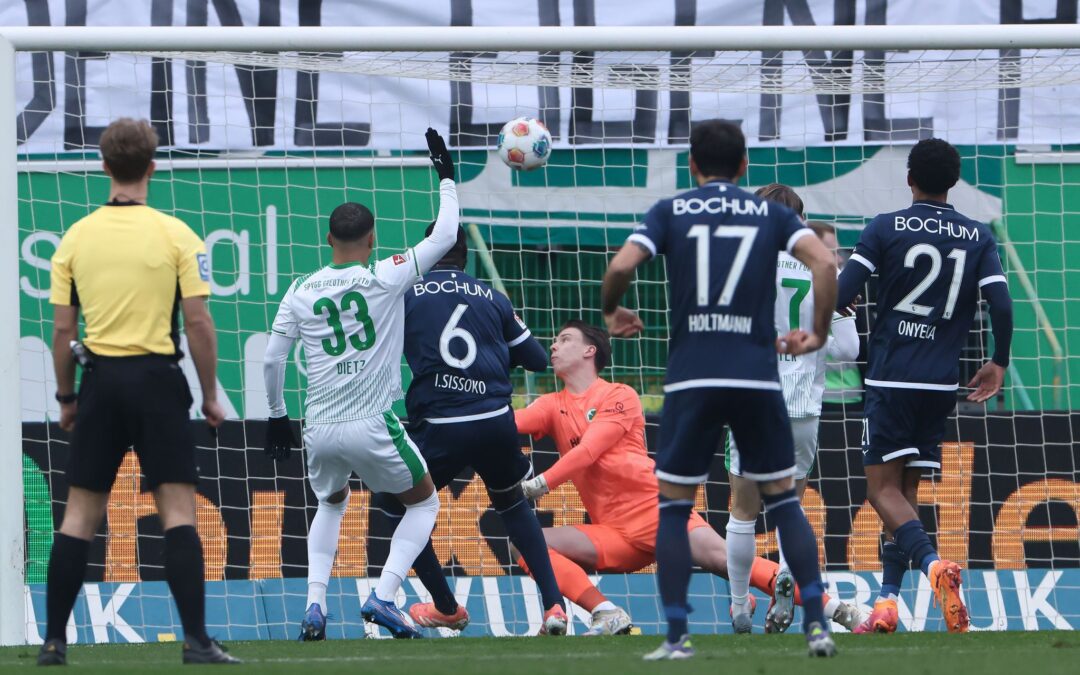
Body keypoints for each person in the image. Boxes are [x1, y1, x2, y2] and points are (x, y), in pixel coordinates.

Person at [600, 120, 839, 659]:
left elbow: (620, 265)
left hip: (694, 375)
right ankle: (818, 625)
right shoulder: (775, 215)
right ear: (745, 165)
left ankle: (678, 634)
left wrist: (612, 310)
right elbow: (825, 263)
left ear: (691, 165)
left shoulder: (672, 211)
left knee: (674, 507)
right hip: (756, 376)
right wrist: (819, 332)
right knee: (784, 503)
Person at [516, 321, 858, 638]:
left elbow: (588, 451)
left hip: (655, 512)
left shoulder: (618, 395)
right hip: (614, 532)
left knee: (725, 561)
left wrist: (540, 484)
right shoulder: (551, 405)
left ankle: (837, 609)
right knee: (527, 543)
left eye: (565, 339)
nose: (554, 346)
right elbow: (508, 425)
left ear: (590, 351)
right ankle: (605, 611)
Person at [41, 118, 235, 665]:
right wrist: (212, 395)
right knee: (177, 511)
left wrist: (66, 398)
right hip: (157, 382)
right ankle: (196, 641)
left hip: (100, 382)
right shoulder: (176, 234)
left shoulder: (76, 237)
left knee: (79, 515)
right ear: (152, 168)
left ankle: (54, 641)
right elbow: (198, 323)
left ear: (105, 167)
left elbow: (62, 331)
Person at [262, 129, 458, 640]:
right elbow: (444, 237)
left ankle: (315, 607)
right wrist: (447, 177)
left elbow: (272, 356)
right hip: (372, 422)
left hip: (319, 426)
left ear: (327, 241)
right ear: (372, 240)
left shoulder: (300, 290)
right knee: (424, 503)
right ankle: (384, 595)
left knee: (330, 503)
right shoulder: (384, 274)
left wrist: (277, 414)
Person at [835, 138, 1013, 634]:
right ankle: (888, 602)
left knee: (880, 490)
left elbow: (844, 292)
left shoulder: (885, 227)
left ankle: (936, 569)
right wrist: (998, 360)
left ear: (908, 177)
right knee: (907, 491)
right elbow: (1000, 303)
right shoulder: (977, 236)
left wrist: (836, 303)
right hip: (940, 381)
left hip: (892, 375)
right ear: (954, 181)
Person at [370, 225, 569, 636]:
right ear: (465, 257)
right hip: (496, 421)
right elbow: (534, 358)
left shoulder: (406, 296)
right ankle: (554, 607)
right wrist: (492, 353)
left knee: (397, 505)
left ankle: (446, 607)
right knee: (512, 503)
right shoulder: (492, 297)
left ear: (429, 252)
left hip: (441, 424)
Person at [725, 186, 861, 634]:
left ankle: (738, 604)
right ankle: (787, 572)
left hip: (753, 397)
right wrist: (846, 312)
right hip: (803, 405)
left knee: (743, 510)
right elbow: (848, 350)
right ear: (801, 221)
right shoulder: (823, 265)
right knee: (790, 505)